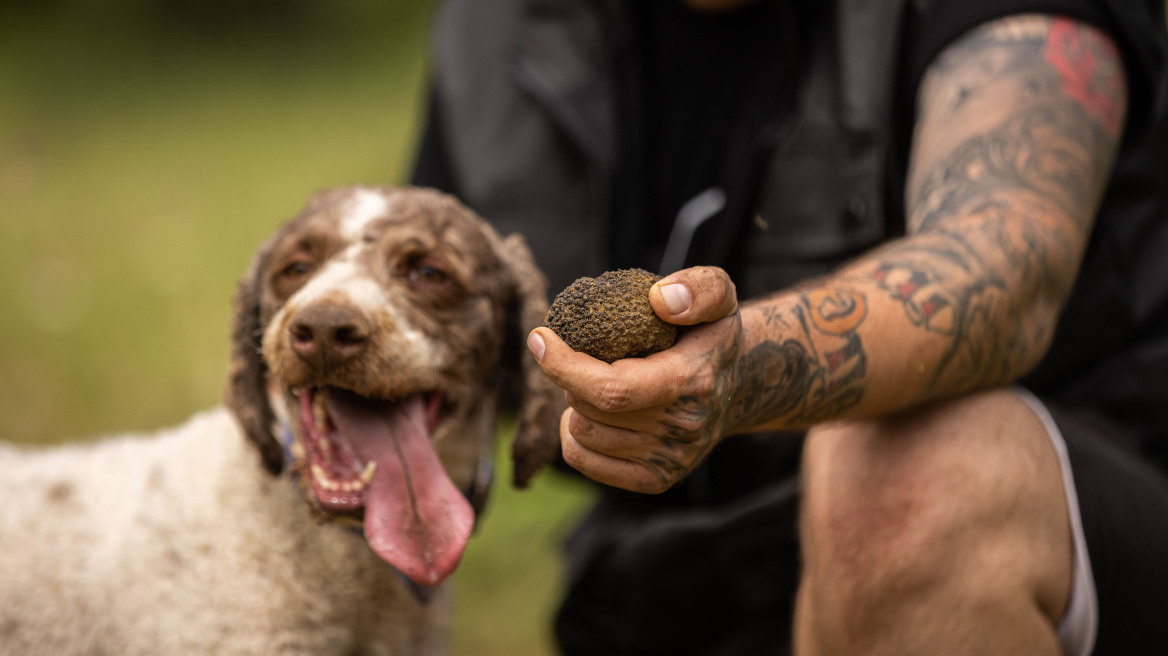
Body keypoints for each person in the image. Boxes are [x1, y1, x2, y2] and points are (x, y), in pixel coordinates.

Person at [411, 0, 1168, 653]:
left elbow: (1006, 269)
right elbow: (429, 327)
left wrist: (741, 366)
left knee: (911, 476)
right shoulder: (497, 28)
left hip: (1078, 526)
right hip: (693, 580)